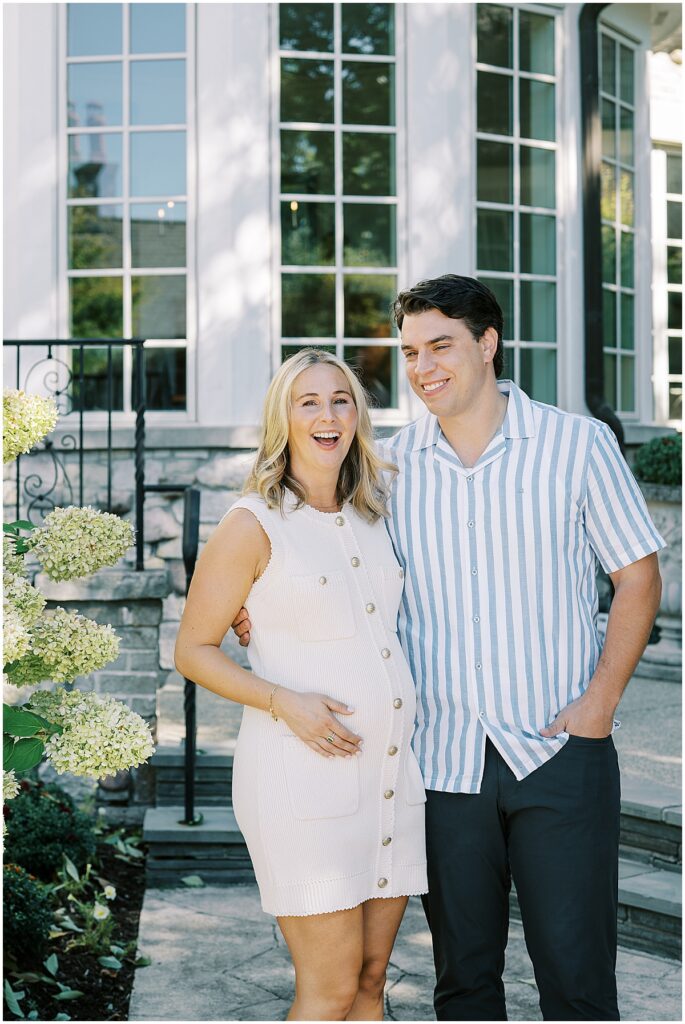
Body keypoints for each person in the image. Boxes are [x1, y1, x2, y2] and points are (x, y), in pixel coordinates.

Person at [234, 276, 665, 1021]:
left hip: (558, 751)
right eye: (409, 352)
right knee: (463, 984)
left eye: (440, 346)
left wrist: (599, 704)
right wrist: (252, 601)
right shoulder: (388, 468)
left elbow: (638, 576)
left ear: (487, 344)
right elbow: (320, 546)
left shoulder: (577, 445)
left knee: (578, 983)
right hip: (439, 765)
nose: (423, 367)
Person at [175, 349, 428, 1023]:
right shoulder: (251, 523)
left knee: (371, 982)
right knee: (329, 990)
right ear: (281, 418)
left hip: (389, 780)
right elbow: (192, 650)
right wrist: (281, 699)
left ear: (358, 414)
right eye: (307, 401)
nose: (327, 414)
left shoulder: (376, 514)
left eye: (341, 399)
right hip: (302, 784)